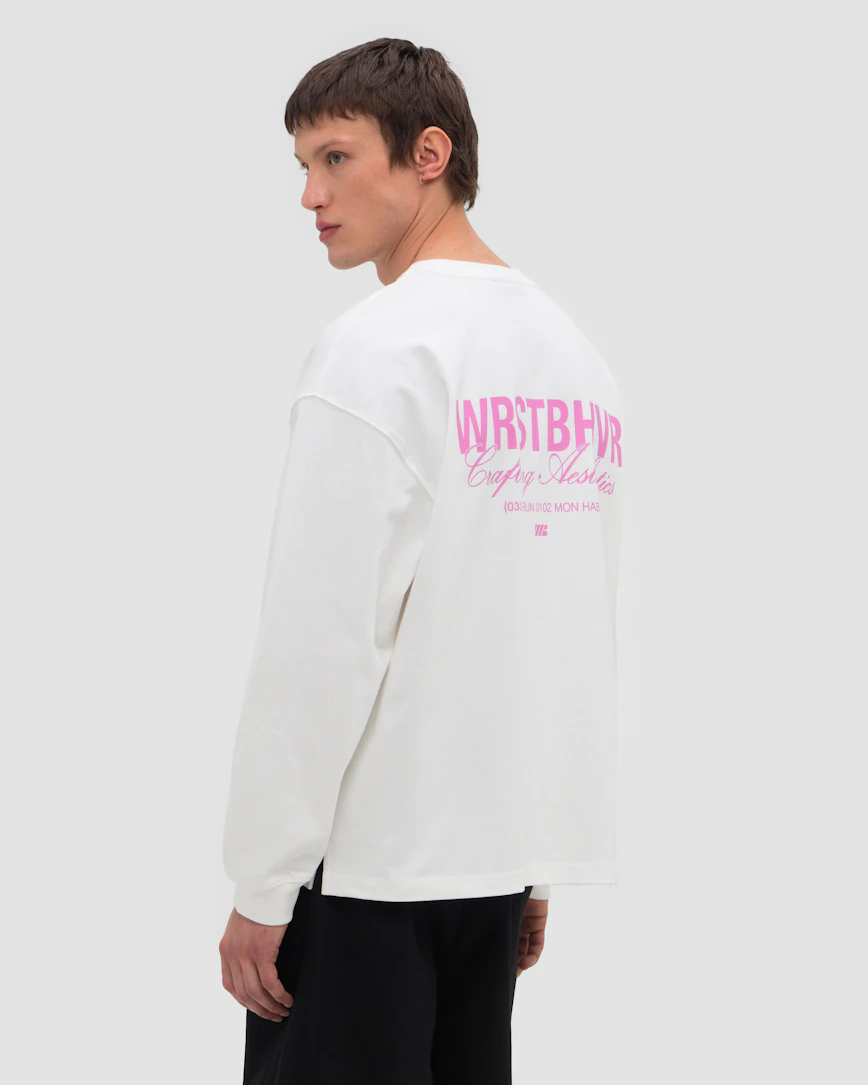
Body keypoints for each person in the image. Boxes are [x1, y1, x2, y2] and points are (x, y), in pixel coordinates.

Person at [219, 37, 627, 1085]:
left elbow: (320, 638)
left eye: (336, 157)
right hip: (489, 877)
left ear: (428, 154)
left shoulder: (378, 351)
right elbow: (561, 619)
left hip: (368, 875)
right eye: (301, 164)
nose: (309, 194)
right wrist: (530, 860)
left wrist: (262, 884)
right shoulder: (576, 360)